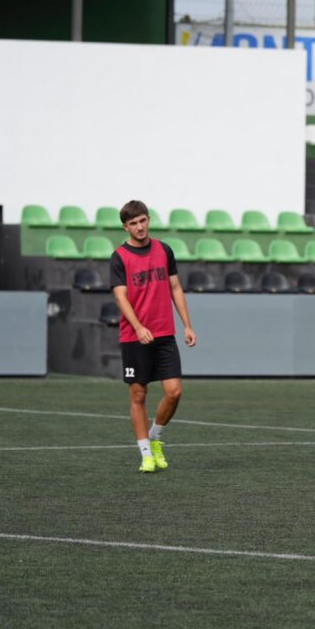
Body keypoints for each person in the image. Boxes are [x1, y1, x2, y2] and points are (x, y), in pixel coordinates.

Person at [110, 200, 197, 473]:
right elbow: (120, 296)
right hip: (135, 336)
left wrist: (187, 325)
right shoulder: (119, 257)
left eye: (143, 220)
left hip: (164, 333)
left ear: (149, 220)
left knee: (174, 392)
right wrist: (137, 327)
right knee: (139, 394)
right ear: (126, 226)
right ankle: (146, 453)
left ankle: (156, 437)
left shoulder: (164, 249)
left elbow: (175, 288)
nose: (139, 227)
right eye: (133, 223)